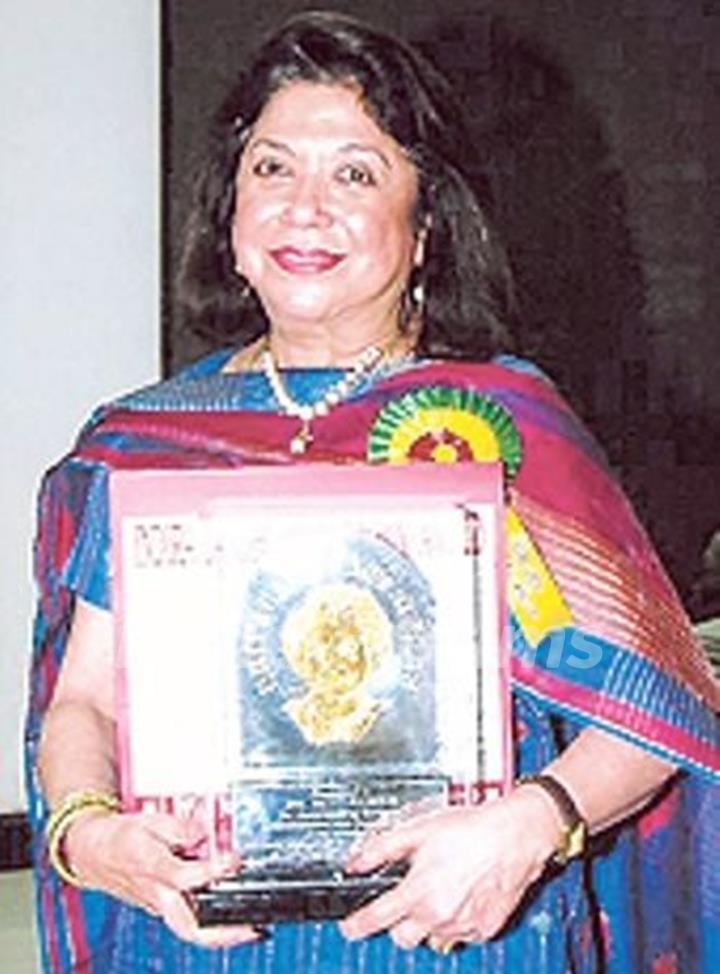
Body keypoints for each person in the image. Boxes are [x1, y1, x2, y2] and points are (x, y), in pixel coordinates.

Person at [27, 11, 719, 974]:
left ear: (426, 225)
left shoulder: (500, 430)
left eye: (355, 172)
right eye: (272, 169)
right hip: (206, 945)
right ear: (230, 218)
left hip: (461, 932)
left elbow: (654, 709)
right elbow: (84, 705)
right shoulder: (144, 445)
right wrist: (90, 833)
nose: (305, 207)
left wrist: (530, 825)